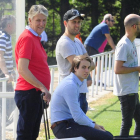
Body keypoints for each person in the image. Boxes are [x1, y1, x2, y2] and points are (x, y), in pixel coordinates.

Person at [51, 55, 113, 140]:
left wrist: (94, 124)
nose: (87, 70)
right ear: (75, 68)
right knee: (107, 137)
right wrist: (95, 126)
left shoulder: (74, 82)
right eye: (83, 67)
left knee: (107, 134)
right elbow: (78, 116)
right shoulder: (70, 85)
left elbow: (78, 114)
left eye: (88, 67)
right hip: (62, 128)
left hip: (68, 124)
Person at [14, 5, 51, 140]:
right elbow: (22, 69)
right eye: (38, 20)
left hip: (34, 93)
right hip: (28, 92)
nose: (42, 24)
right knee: (26, 135)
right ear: (30, 20)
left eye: (44, 20)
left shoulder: (35, 37)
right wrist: (42, 87)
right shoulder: (28, 37)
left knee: (32, 134)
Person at [55, 9, 95, 114]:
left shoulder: (77, 41)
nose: (77, 25)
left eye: (79, 22)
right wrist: (86, 65)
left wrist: (86, 66)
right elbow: (82, 67)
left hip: (80, 92)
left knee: (82, 129)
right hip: (71, 93)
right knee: (75, 128)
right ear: (65, 23)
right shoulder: (64, 43)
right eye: (73, 22)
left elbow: (92, 64)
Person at [114, 14, 140, 136]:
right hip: (126, 91)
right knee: (127, 124)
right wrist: (137, 68)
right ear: (135, 26)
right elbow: (117, 69)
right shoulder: (124, 44)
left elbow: (130, 65)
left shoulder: (131, 42)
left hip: (132, 89)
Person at [84, 14, 115, 86]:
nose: (113, 22)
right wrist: (114, 48)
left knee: (95, 64)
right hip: (90, 47)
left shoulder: (103, 26)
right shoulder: (104, 26)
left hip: (93, 47)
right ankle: (86, 81)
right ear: (107, 21)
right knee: (88, 65)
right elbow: (108, 38)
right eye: (112, 20)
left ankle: (95, 80)